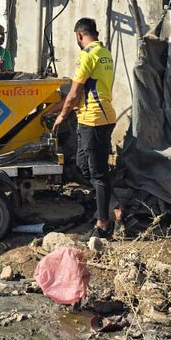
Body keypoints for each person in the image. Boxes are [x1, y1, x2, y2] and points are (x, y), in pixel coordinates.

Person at [52, 18, 116, 240]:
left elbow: (75, 92)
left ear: (79, 35)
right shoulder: (105, 53)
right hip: (96, 118)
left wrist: (61, 115)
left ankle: (103, 225)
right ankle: (110, 203)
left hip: (95, 120)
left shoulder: (86, 55)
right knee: (83, 164)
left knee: (98, 173)